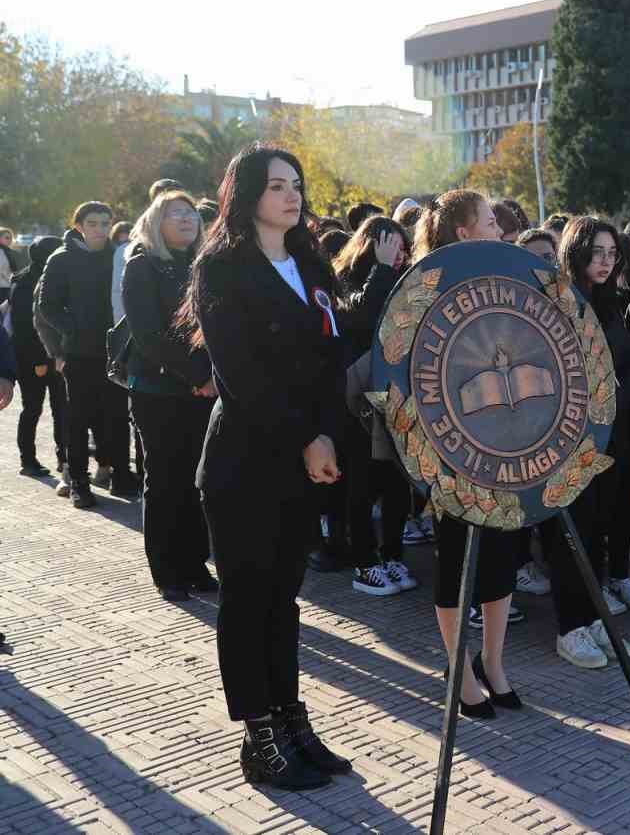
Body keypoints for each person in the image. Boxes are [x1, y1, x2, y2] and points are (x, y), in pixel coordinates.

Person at [180, 145, 351, 789]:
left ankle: (290, 717)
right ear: (246, 194)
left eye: (297, 185)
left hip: (305, 458)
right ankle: (258, 735)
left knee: (284, 598)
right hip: (245, 463)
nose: (292, 195)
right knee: (248, 599)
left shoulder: (309, 263)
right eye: (277, 185)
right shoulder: (222, 268)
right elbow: (242, 377)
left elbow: (332, 359)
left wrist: (327, 434)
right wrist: (309, 437)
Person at [404, 191, 534, 692]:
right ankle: (459, 672)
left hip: (505, 443)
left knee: (501, 554)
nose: (500, 230)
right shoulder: (422, 288)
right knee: (457, 559)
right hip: (449, 450)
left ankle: (493, 663)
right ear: (464, 232)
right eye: (489, 221)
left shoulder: (505, 279)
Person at [549, 215, 630, 667]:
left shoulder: (615, 302)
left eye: (612, 253)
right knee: (575, 536)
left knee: (603, 531)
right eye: (597, 253)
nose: (605, 261)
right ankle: (571, 628)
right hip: (572, 442)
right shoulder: (559, 303)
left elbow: (628, 365)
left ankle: (594, 622)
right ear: (576, 252)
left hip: (615, 437)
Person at [122, 190, 217, 603]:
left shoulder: (203, 267)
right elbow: (148, 336)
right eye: (175, 214)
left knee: (197, 480)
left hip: (204, 389)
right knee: (164, 481)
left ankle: (195, 564)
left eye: (191, 214)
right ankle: (167, 570)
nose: (186, 220)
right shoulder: (142, 267)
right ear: (156, 222)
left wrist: (211, 376)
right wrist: (195, 374)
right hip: (158, 390)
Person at [329, 217, 412, 599]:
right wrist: (380, 269)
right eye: (388, 245)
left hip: (393, 395)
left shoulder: (406, 279)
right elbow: (357, 317)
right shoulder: (342, 281)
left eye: (401, 246)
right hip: (356, 400)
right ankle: (364, 562)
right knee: (361, 483)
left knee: (396, 480)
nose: (397, 254)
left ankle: (392, 553)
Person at [35, 201, 133, 505]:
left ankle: (121, 474)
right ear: (79, 225)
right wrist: (73, 330)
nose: (100, 230)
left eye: (105, 223)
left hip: (115, 352)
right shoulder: (61, 259)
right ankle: (78, 481)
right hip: (79, 353)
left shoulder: (118, 257)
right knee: (78, 419)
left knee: (117, 417)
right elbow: (45, 305)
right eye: (92, 223)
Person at [9, 236, 68, 480]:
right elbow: (24, 326)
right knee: (32, 409)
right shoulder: (26, 282)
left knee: (61, 410)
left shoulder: (45, 277)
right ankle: (28, 460)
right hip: (34, 360)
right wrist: (39, 361)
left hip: (53, 356)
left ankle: (64, 458)